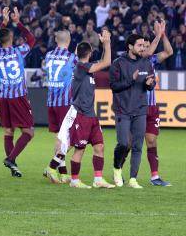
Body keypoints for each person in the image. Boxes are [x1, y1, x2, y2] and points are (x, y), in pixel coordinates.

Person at [67, 30, 115, 189]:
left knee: (99, 146)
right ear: (90, 53)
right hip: (81, 114)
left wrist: (103, 47)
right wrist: (107, 44)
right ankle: (74, 181)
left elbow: (102, 61)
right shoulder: (82, 66)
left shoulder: (85, 66)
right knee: (80, 149)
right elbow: (106, 62)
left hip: (91, 115)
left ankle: (98, 179)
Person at [0, 7, 36, 178]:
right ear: (10, 38)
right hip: (18, 97)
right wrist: (17, 22)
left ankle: (13, 166)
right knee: (29, 132)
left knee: (8, 132)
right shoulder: (18, 51)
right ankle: (11, 159)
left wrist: (4, 22)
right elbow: (31, 39)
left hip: (3, 97)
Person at [109, 33, 156, 189]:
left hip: (141, 109)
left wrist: (150, 84)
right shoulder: (118, 63)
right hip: (123, 110)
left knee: (137, 146)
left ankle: (133, 179)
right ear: (130, 46)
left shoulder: (146, 63)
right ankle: (117, 168)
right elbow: (114, 86)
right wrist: (131, 79)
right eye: (139, 45)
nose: (142, 48)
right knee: (123, 143)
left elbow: (149, 85)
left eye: (143, 45)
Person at [42, 30, 77, 184]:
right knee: (70, 139)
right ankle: (51, 167)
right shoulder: (72, 58)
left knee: (59, 138)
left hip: (51, 102)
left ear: (56, 40)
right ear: (69, 40)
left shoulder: (48, 55)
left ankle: (63, 173)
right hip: (65, 103)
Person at [141, 20, 173, 186]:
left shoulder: (152, 60)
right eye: (143, 46)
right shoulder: (134, 62)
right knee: (129, 143)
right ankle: (118, 171)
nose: (146, 49)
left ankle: (155, 176)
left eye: (147, 46)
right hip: (137, 108)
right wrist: (158, 35)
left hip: (152, 108)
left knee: (152, 141)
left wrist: (164, 34)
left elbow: (169, 51)